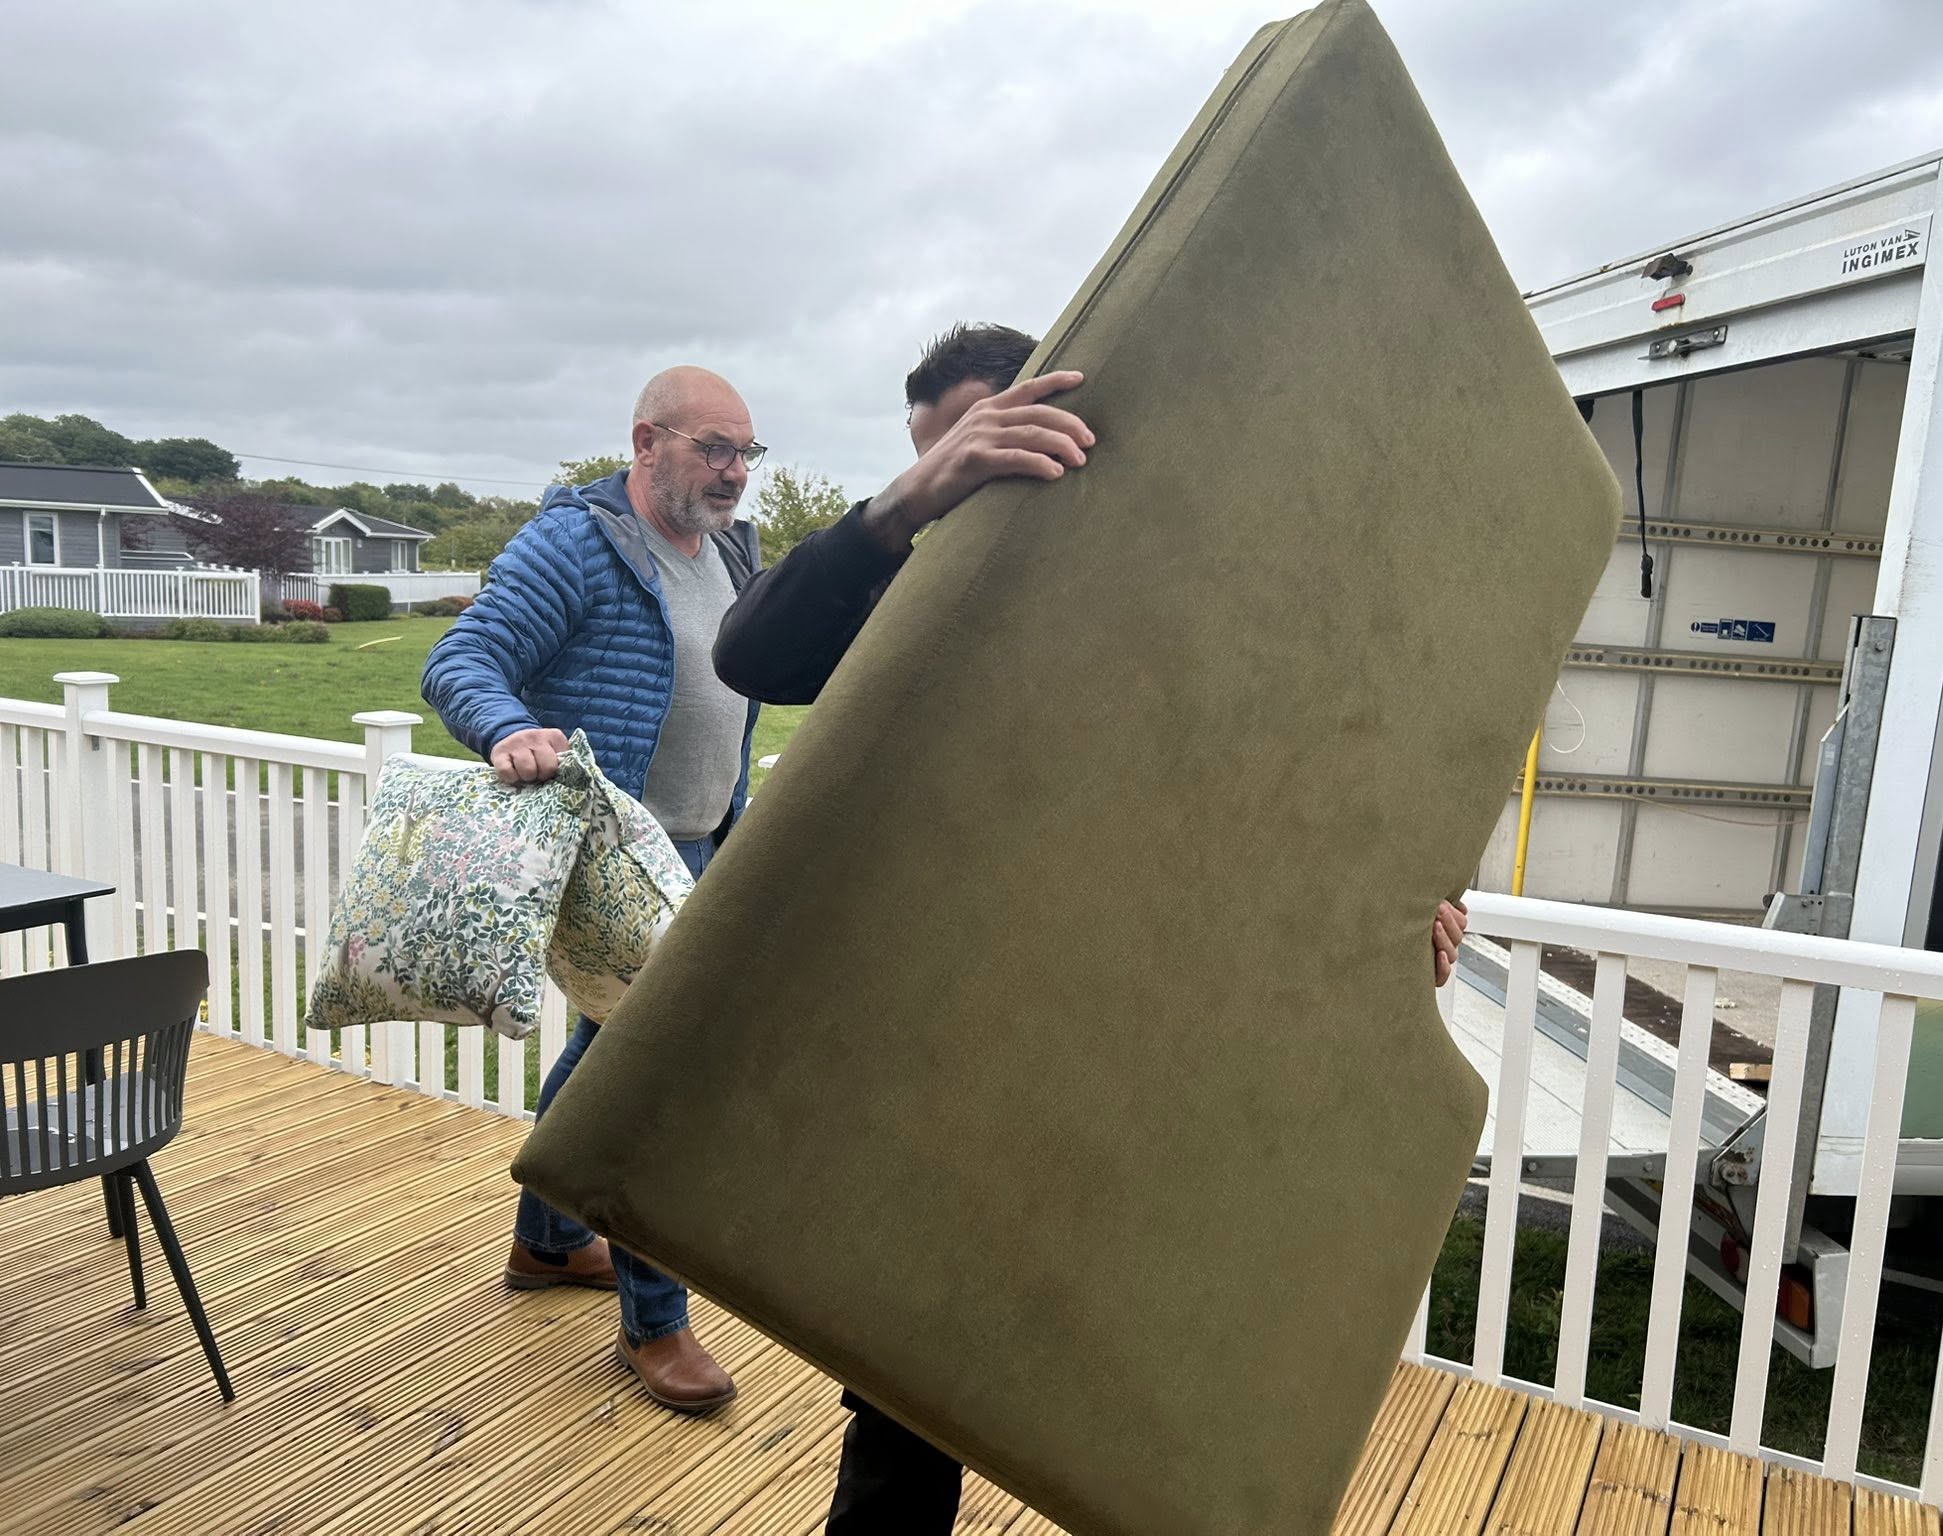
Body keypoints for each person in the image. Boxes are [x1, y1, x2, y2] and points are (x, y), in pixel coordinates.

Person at [713, 323, 1470, 1532]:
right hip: (959, 1055)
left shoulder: (1205, 578)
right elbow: (754, 652)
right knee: (902, 1403)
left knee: (1143, 1393)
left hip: (1156, 1055)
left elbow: (1332, 771)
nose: (963, 474)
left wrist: (1407, 902)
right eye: (943, 454)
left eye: (980, 443)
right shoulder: (931, 583)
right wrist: (907, 502)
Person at [421, 364, 766, 1415]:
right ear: (645, 441)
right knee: (655, 1083)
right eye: (713, 448)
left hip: (702, 844)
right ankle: (655, 1322)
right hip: (611, 857)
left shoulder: (732, 551)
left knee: (603, 1052)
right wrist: (508, 727)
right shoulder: (575, 543)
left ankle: (548, 1238)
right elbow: (463, 656)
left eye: (746, 453)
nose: (734, 472)